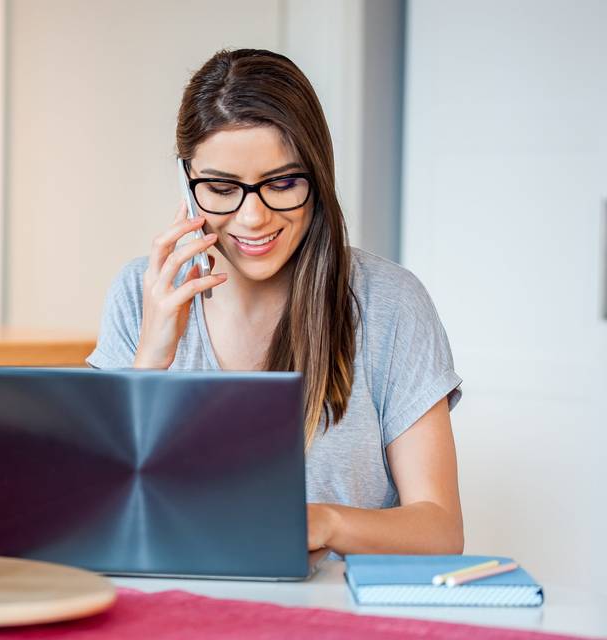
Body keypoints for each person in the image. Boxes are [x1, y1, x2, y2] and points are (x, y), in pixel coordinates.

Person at [86, 49, 464, 556]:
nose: (254, 217)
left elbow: (441, 531)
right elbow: (98, 524)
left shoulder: (390, 302)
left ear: (318, 176)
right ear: (188, 183)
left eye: (282, 183)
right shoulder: (139, 294)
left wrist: (323, 523)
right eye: (221, 187)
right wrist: (152, 360)